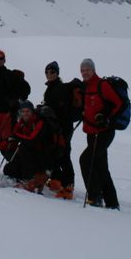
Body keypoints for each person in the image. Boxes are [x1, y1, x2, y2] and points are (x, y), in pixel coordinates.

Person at [78, 58, 124, 210]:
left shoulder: (102, 85)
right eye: (82, 70)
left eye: (87, 70)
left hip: (103, 132)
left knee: (85, 160)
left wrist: (107, 118)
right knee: (101, 167)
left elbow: (120, 104)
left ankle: (95, 197)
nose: (85, 73)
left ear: (93, 70)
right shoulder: (86, 86)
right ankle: (112, 203)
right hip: (91, 133)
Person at [0, 100, 53, 192]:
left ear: (32, 111)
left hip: (42, 157)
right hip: (29, 156)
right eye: (23, 111)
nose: (25, 114)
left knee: (24, 147)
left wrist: (17, 136)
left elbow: (32, 140)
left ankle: (32, 179)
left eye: (27, 111)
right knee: (9, 170)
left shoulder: (39, 122)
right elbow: (11, 139)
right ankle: (26, 178)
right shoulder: (21, 123)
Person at [42, 61, 82, 200]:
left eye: (52, 72)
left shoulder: (60, 88)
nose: (49, 74)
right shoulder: (51, 88)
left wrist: (50, 112)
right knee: (54, 154)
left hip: (63, 128)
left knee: (64, 155)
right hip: (54, 128)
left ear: (57, 73)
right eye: (47, 72)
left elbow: (63, 110)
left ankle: (68, 187)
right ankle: (57, 181)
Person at [0, 49, 30, 160]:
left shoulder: (10, 75)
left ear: (4, 60)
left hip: (8, 113)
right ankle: (16, 166)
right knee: (2, 143)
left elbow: (26, 91)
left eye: (1, 58)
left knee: (9, 144)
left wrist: (21, 80)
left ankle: (19, 166)